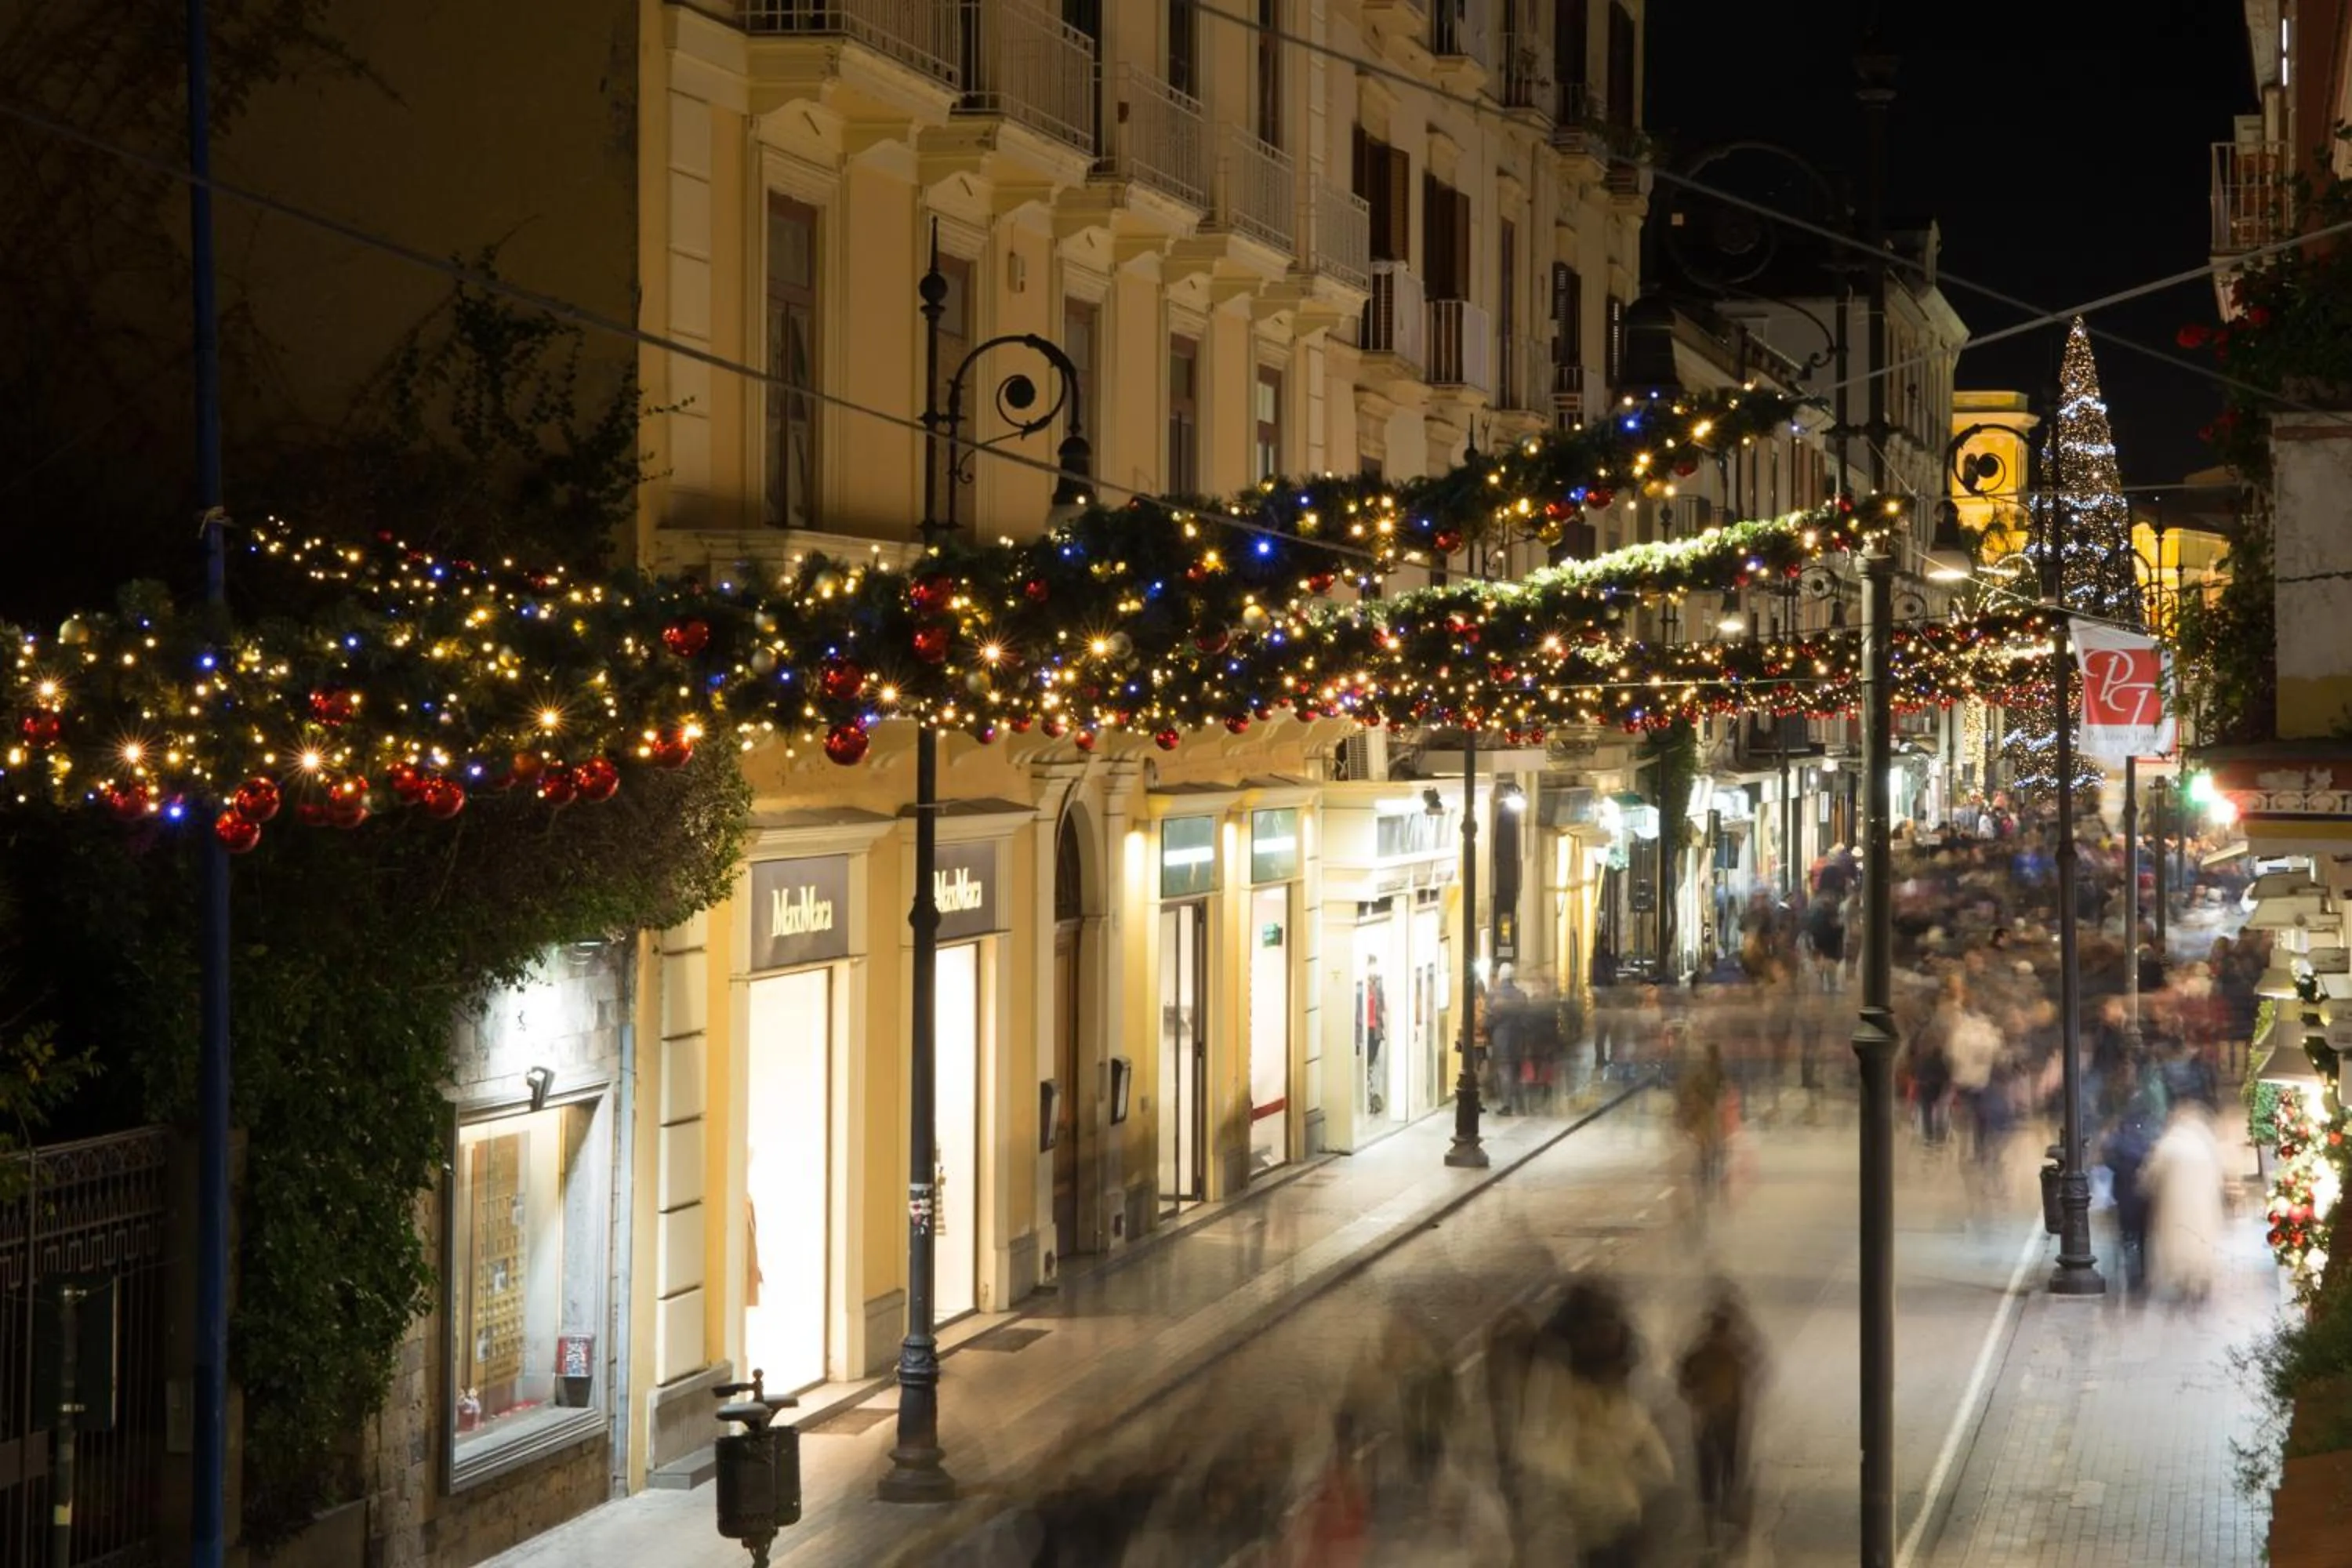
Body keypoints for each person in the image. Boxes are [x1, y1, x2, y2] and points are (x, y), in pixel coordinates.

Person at [1677, 1285, 1768, 1548]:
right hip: (1730, 1416)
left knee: (1709, 1468)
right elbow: (1757, 1369)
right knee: (1730, 1464)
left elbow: (1683, 1379)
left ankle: (1711, 1523)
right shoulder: (1737, 1348)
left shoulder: (1700, 1350)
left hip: (1707, 1417)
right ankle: (1729, 1509)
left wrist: (1696, 1400)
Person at [2141, 1102, 2227, 1305]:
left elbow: (2152, 1174)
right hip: (2204, 1210)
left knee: (2177, 1247)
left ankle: (2183, 1282)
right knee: (2201, 1245)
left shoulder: (2169, 1143)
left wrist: (2145, 1187)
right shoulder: (2206, 1143)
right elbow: (2220, 1174)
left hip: (2175, 1210)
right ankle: (2199, 1282)